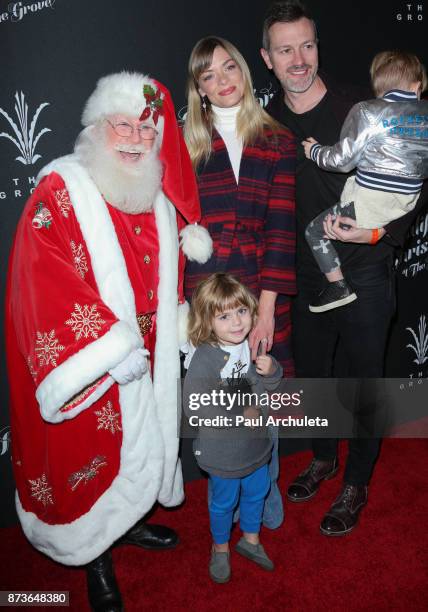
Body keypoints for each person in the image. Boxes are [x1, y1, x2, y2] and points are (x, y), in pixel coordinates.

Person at [5, 71, 211, 612]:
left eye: (148, 130)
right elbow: (41, 276)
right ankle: (95, 548)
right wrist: (107, 347)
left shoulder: (155, 192)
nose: (136, 139)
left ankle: (130, 519)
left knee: (139, 440)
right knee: (90, 452)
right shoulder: (61, 187)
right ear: (98, 127)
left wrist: (176, 320)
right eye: (123, 125)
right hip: (95, 356)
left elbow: (163, 272)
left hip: (148, 352)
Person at [261, 1, 427, 536]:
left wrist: (380, 233)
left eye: (306, 45)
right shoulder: (267, 122)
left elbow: (416, 177)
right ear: (268, 58)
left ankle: (355, 482)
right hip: (304, 276)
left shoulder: (362, 106)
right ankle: (324, 458)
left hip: (368, 270)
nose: (299, 59)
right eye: (285, 49)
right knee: (314, 375)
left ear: (317, 46)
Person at [183, 36, 296, 531]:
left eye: (230, 67)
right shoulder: (184, 143)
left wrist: (267, 306)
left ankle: (265, 484)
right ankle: (223, 492)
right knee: (217, 397)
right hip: (206, 288)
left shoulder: (277, 140)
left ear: (247, 72)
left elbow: (281, 228)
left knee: (263, 391)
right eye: (209, 75)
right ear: (200, 89)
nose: (223, 80)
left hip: (260, 283)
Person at [302, 51, 428, 313]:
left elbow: (342, 160)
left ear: (379, 86)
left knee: (314, 231)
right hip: (407, 203)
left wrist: (315, 152)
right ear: (417, 87)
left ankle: (337, 286)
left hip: (368, 203)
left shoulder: (367, 111)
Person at [183, 273, 283, 583]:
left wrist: (272, 371)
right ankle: (221, 547)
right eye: (224, 316)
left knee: (257, 493)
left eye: (241, 311)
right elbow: (195, 408)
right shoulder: (205, 358)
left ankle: (250, 541)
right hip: (222, 454)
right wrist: (242, 414)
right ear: (207, 321)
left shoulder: (248, 345)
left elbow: (266, 388)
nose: (236, 322)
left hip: (256, 447)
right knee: (223, 503)